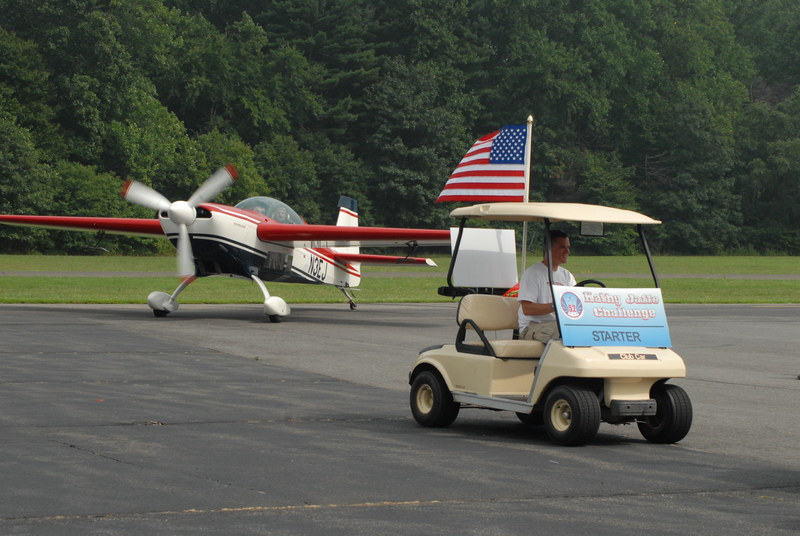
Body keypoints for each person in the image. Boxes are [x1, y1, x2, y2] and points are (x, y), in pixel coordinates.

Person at [517, 229, 576, 342]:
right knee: (566, 332)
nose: (567, 251)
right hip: (533, 326)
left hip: (558, 324)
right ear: (548, 248)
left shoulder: (567, 275)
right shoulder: (533, 273)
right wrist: (556, 305)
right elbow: (527, 309)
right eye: (562, 247)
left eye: (568, 247)